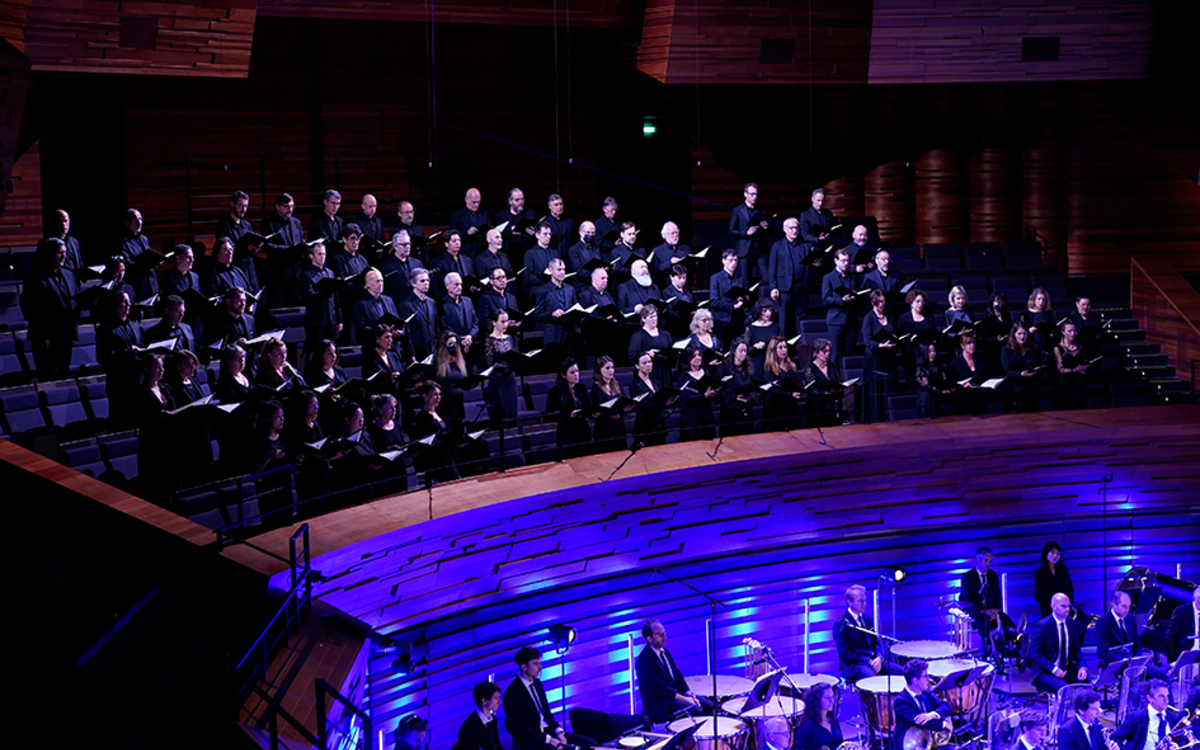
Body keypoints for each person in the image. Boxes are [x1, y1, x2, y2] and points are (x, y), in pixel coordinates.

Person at [503, 646, 594, 750]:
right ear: (524, 667)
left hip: (548, 732)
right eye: (535, 664)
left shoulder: (537, 684)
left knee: (590, 744)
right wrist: (548, 739)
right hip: (530, 740)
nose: (540, 667)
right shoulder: (513, 692)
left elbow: (546, 712)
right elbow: (518, 728)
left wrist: (558, 732)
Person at [20, 237, 80, 380]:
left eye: (65, 252)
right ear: (46, 253)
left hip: (66, 333)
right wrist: (42, 334)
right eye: (59, 252)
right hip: (48, 336)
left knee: (63, 374)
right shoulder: (35, 275)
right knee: (49, 375)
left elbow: (74, 300)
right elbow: (34, 308)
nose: (64, 256)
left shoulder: (69, 274)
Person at [635, 619, 713, 724]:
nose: (664, 636)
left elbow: (677, 675)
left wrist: (687, 693)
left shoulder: (665, 652)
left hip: (675, 696)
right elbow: (660, 689)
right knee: (695, 709)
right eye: (659, 634)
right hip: (660, 704)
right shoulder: (644, 661)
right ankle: (688, 739)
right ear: (649, 639)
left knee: (709, 706)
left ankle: (705, 739)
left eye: (664, 633)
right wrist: (685, 700)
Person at [131, 353, 177, 503]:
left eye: (162, 367)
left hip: (168, 441)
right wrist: (156, 416)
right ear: (146, 369)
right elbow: (137, 418)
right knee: (155, 486)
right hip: (152, 444)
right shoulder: (140, 392)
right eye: (157, 367)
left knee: (169, 484)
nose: (162, 370)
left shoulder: (166, 388)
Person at [96, 291, 146, 429]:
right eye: (124, 302)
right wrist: (125, 353)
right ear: (113, 304)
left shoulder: (135, 326)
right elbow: (102, 357)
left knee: (137, 423)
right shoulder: (105, 328)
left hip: (138, 381)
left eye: (129, 302)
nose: (128, 305)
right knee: (120, 424)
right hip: (120, 384)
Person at [1096, 590, 1167, 679]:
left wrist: (1139, 661)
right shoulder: (1103, 622)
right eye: (1124, 606)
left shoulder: (1130, 618)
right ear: (1113, 604)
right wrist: (1125, 662)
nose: (1127, 610)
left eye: (1129, 606)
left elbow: (1136, 644)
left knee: (1163, 676)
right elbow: (1103, 652)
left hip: (1132, 661)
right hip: (1116, 664)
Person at [833, 584, 895, 682]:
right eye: (860, 601)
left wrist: (879, 658)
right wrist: (869, 662)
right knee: (874, 680)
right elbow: (845, 653)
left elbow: (876, 642)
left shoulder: (868, 619)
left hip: (874, 660)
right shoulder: (840, 624)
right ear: (850, 602)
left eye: (865, 600)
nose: (864, 603)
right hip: (855, 665)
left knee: (902, 672)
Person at [1030, 593, 1090, 691]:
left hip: (1066, 669)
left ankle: (1084, 706)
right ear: (1053, 606)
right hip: (1046, 671)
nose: (1068, 609)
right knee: (1063, 688)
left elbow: (1076, 649)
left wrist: (1082, 666)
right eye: (1063, 606)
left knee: (1087, 682)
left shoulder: (1070, 622)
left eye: (1069, 606)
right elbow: (1033, 652)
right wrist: (1053, 669)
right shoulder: (1043, 626)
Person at [893, 659, 953, 750]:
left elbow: (947, 706)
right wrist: (944, 724)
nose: (929, 679)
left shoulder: (926, 694)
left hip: (927, 742)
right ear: (915, 680)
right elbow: (921, 722)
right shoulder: (901, 702)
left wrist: (933, 714)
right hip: (909, 746)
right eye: (925, 676)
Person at [262, 193, 306, 307]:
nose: (290, 209)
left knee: (295, 307)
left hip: (296, 273)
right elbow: (266, 246)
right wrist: (288, 250)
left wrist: (306, 247)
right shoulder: (269, 223)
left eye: (292, 206)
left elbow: (301, 240)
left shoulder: (296, 222)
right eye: (286, 206)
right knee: (279, 307)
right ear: (277, 206)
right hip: (279, 274)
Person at [861, 289, 897, 423]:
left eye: (883, 302)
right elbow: (868, 341)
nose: (881, 305)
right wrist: (881, 346)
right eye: (878, 302)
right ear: (873, 302)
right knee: (876, 388)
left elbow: (894, 332)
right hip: (875, 358)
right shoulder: (868, 319)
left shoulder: (890, 315)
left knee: (888, 385)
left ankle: (890, 416)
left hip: (888, 357)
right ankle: (876, 418)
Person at [1112, 680, 1179, 750]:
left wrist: (1176, 746)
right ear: (1150, 698)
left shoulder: (1172, 716)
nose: (1166, 700)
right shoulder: (1135, 717)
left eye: (1167, 696)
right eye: (1161, 696)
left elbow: (1182, 740)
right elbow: (1115, 738)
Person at [768, 216, 807, 336]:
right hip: (784, 287)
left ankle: (800, 347)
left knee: (800, 318)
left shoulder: (805, 245)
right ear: (784, 229)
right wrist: (773, 287)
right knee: (785, 319)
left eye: (796, 228)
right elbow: (772, 268)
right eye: (791, 228)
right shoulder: (777, 246)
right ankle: (785, 348)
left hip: (801, 287)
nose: (794, 231)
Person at [216, 190, 261, 294]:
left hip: (249, 269)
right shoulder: (223, 225)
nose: (244, 209)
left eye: (246, 206)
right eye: (241, 205)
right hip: (234, 270)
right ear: (232, 204)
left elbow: (252, 251)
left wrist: (255, 247)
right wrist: (245, 249)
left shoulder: (247, 225)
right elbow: (226, 249)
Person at [545, 358, 591, 460]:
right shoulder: (555, 393)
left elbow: (588, 407)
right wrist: (569, 415)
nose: (576, 374)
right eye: (572, 372)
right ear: (563, 375)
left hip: (584, 433)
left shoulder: (581, 388)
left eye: (577, 371)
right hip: (567, 435)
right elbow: (550, 416)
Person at [483, 309, 520, 432]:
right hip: (498, 380)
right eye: (502, 322)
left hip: (510, 379)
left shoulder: (510, 338)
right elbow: (490, 363)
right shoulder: (490, 340)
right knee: (501, 412)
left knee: (512, 409)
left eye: (507, 321)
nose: (505, 325)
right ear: (494, 322)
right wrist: (507, 365)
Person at [960, 546, 1003, 648]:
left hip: (991, 610)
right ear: (978, 559)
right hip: (976, 611)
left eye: (990, 561)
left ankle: (1015, 638)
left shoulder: (992, 575)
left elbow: (997, 595)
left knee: (1004, 620)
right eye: (986, 561)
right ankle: (994, 647)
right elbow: (967, 601)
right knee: (985, 626)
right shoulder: (967, 577)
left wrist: (995, 610)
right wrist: (984, 611)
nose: (988, 564)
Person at [821, 249, 858, 365]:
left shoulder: (852, 277)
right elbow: (825, 299)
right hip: (836, 319)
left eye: (847, 261)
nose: (846, 263)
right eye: (843, 261)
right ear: (836, 261)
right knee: (835, 353)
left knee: (850, 353)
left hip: (851, 319)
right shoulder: (828, 277)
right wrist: (841, 300)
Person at [729, 182, 770, 285]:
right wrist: (746, 233)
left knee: (767, 278)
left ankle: (766, 300)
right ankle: (744, 300)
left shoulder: (762, 210)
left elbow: (769, 232)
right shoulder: (738, 210)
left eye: (756, 194)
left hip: (760, 248)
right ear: (745, 194)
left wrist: (766, 228)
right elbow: (731, 231)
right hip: (744, 249)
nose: (754, 197)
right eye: (752, 194)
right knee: (744, 281)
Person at [429, 331, 469, 431]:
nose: (454, 346)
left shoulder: (459, 362)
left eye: (455, 343)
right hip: (444, 406)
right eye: (450, 344)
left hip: (457, 406)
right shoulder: (436, 363)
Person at [630, 351, 671, 448]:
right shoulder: (635, 384)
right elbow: (643, 405)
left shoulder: (655, 381)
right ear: (637, 366)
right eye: (644, 363)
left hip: (659, 425)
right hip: (645, 427)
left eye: (649, 362)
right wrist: (664, 404)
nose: (648, 365)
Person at [676, 345, 717, 442]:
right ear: (688, 358)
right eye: (694, 356)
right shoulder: (684, 376)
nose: (698, 358)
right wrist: (704, 396)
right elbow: (685, 398)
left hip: (706, 414)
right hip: (691, 417)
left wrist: (714, 393)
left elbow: (712, 391)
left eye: (699, 355)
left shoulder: (706, 372)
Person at [536, 258, 577, 351]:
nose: (562, 272)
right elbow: (537, 315)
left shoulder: (570, 289)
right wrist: (552, 314)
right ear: (550, 270)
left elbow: (575, 307)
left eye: (563, 269)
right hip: (553, 333)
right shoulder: (543, 290)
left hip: (569, 332)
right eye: (559, 269)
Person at [119, 208, 160, 302]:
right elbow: (126, 264)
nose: (140, 223)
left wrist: (156, 291)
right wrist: (145, 264)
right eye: (136, 220)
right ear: (126, 222)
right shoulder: (122, 241)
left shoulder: (144, 239)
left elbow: (151, 270)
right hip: (136, 288)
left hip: (151, 288)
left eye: (141, 219)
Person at [763, 336, 802, 431]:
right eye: (780, 347)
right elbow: (772, 390)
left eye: (785, 347)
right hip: (776, 409)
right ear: (773, 350)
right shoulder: (769, 368)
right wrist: (790, 394)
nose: (783, 350)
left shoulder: (791, 366)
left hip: (791, 407)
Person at [718, 339, 756, 437]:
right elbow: (722, 390)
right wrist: (735, 397)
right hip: (731, 412)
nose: (743, 354)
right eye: (740, 351)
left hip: (746, 410)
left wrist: (753, 395)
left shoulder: (748, 368)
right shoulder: (725, 368)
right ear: (734, 351)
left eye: (745, 351)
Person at [351, 268, 400, 345]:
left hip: (392, 346)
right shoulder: (360, 303)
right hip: (374, 345)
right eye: (377, 281)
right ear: (368, 284)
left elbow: (396, 320)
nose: (381, 284)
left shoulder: (389, 300)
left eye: (382, 281)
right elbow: (360, 329)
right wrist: (380, 332)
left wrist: (398, 330)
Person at [803, 338, 844, 428]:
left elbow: (838, 380)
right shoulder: (810, 369)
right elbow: (812, 390)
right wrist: (826, 393)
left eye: (829, 351)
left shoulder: (832, 366)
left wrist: (839, 388)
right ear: (816, 352)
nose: (827, 354)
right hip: (817, 407)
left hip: (832, 406)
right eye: (824, 352)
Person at [590, 356, 628, 454]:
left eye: (612, 368)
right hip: (604, 429)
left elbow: (625, 403)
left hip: (619, 427)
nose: (611, 371)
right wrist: (617, 412)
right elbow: (599, 410)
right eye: (607, 368)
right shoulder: (596, 388)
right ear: (599, 370)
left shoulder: (618, 384)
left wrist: (621, 412)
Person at [401, 269, 439, 361]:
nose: (426, 283)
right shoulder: (406, 304)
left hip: (433, 350)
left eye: (427, 280)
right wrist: (411, 354)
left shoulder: (432, 302)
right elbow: (407, 332)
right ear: (413, 283)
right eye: (422, 281)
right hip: (418, 352)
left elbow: (436, 327)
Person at [709, 250, 745, 346]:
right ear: (723, 261)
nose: (733, 263)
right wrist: (733, 306)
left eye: (735, 260)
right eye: (730, 260)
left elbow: (742, 295)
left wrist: (742, 299)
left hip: (737, 320)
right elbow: (714, 302)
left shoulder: (740, 278)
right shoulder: (716, 278)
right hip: (722, 321)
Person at [1001, 323, 1041, 410]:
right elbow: (1007, 370)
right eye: (1019, 334)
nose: (1022, 337)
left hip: (1030, 389)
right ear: (1014, 334)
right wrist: (1020, 375)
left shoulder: (1033, 348)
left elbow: (1037, 363)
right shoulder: (1006, 349)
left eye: (1025, 333)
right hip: (1013, 389)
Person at [452, 681, 503, 750]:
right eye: (496, 698)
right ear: (484, 701)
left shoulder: (492, 720)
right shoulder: (471, 727)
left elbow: (496, 746)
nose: (500, 702)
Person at [793, 681, 842, 750]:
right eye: (827, 697)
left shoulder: (833, 720)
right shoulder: (806, 727)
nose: (832, 701)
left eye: (832, 696)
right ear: (817, 700)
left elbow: (840, 743)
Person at [379, 231, 425, 305]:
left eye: (408, 244)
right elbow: (385, 291)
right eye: (404, 244)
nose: (407, 247)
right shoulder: (385, 266)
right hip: (397, 305)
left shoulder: (417, 263)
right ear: (395, 246)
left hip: (417, 304)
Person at [1033, 541, 1075, 619]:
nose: (1055, 556)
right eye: (1052, 553)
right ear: (1046, 554)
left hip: (1064, 609)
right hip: (1048, 609)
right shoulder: (1039, 572)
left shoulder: (1063, 569)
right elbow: (1040, 593)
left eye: (1058, 554)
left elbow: (1069, 588)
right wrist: (1055, 605)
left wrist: (1065, 603)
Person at [1055, 321, 1090, 410]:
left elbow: (1084, 363)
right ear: (1063, 332)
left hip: (1078, 382)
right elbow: (1061, 369)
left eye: (1074, 330)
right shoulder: (1058, 348)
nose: (1073, 333)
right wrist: (1076, 369)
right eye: (1070, 331)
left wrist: (1084, 369)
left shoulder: (1080, 347)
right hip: (1065, 383)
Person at [914, 341, 953, 418]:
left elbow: (944, 381)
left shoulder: (939, 367)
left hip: (938, 400)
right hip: (926, 401)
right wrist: (941, 391)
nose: (932, 354)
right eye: (929, 352)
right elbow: (927, 386)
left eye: (934, 351)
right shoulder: (920, 369)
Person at [441, 272, 479, 352]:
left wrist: (470, 336)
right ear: (447, 286)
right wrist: (460, 338)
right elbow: (444, 326)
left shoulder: (468, 301)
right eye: (456, 284)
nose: (460, 288)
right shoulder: (442, 304)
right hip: (453, 347)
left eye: (461, 284)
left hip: (471, 344)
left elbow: (475, 321)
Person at [433, 230, 475, 301]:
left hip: (466, 300)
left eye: (459, 240)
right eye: (454, 241)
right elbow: (436, 286)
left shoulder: (467, 260)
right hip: (447, 301)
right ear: (446, 244)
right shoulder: (438, 261)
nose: (457, 243)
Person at [744, 298, 779, 381]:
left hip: (773, 360)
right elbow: (745, 349)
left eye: (770, 310)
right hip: (757, 360)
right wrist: (755, 346)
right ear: (758, 311)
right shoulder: (751, 328)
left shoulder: (775, 326)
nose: (768, 313)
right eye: (765, 311)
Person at [449, 187, 489, 258]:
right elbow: (453, 235)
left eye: (478, 202)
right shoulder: (457, 215)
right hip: (466, 253)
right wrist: (467, 233)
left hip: (482, 252)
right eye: (474, 202)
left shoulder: (484, 214)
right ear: (466, 199)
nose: (476, 205)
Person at [478, 266, 518, 332]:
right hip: (495, 336)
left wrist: (518, 323)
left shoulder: (512, 298)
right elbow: (484, 320)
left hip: (512, 336)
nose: (502, 280)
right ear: (491, 281)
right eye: (499, 278)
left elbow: (516, 316)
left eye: (504, 277)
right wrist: (504, 324)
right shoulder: (485, 298)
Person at [1165, 585, 1200, 661]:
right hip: (1188, 652)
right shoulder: (1181, 611)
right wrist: (1173, 661)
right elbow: (1171, 637)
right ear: (1194, 599)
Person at [566, 221, 603, 289]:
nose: (590, 235)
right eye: (588, 232)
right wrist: (596, 276)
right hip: (582, 286)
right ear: (581, 232)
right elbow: (578, 271)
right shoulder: (574, 250)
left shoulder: (596, 248)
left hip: (597, 285)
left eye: (593, 233)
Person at [1021, 287, 1056, 353]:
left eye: (1043, 300)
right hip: (1033, 340)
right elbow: (1022, 328)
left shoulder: (1048, 313)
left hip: (1047, 339)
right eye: (1039, 299)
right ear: (1034, 299)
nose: (1041, 302)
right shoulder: (1026, 313)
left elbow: (1052, 326)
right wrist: (1032, 329)